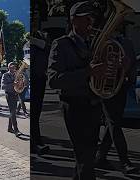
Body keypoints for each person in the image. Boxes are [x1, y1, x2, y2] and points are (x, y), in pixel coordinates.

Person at [48, 2, 105, 179]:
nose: (91, 22)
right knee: (85, 158)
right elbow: (53, 80)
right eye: (87, 18)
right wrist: (87, 72)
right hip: (74, 106)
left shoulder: (95, 44)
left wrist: (120, 68)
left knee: (85, 158)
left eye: (92, 18)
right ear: (74, 20)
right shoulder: (61, 44)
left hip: (94, 105)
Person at [95, 23, 138, 174]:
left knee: (114, 122)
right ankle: (124, 160)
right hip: (106, 87)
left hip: (121, 85)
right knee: (113, 122)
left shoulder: (126, 42)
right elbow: (95, 63)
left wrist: (126, 70)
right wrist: (112, 65)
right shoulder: (101, 42)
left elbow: (133, 62)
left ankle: (100, 157)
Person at [32, 31, 50, 155]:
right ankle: (35, 143)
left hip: (39, 79)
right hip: (35, 79)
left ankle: (37, 141)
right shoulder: (33, 43)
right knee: (34, 114)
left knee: (36, 113)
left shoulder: (39, 40)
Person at [1, 62, 21, 137]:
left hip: (15, 94)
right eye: (11, 67)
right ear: (8, 67)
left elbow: (20, 84)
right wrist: (13, 84)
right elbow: (3, 86)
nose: (13, 68)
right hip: (9, 94)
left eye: (14, 67)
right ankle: (16, 130)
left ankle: (9, 128)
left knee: (12, 112)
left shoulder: (17, 75)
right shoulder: (5, 75)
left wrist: (22, 84)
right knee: (13, 112)